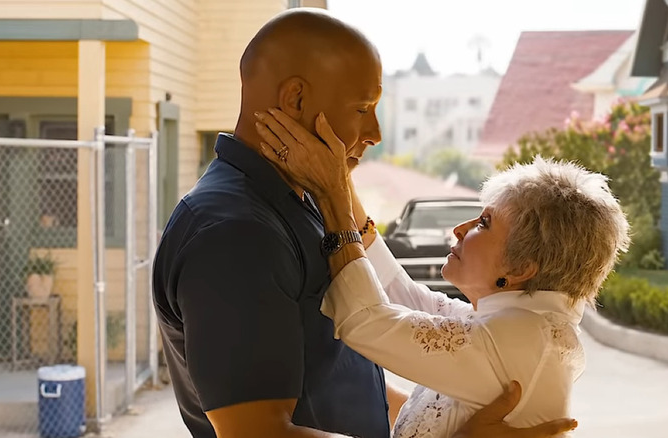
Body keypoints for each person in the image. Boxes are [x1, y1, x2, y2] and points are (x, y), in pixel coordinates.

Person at [152, 7, 576, 438]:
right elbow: (257, 433)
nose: (375, 132)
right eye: (362, 108)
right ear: (295, 100)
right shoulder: (235, 234)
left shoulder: (302, 202)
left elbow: (350, 374)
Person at [254, 109, 630, 437]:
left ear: (522, 267)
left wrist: (332, 193)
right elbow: (401, 293)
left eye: (484, 223)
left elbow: (368, 321)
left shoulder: (520, 337)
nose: (460, 229)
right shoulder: (516, 325)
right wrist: (341, 179)